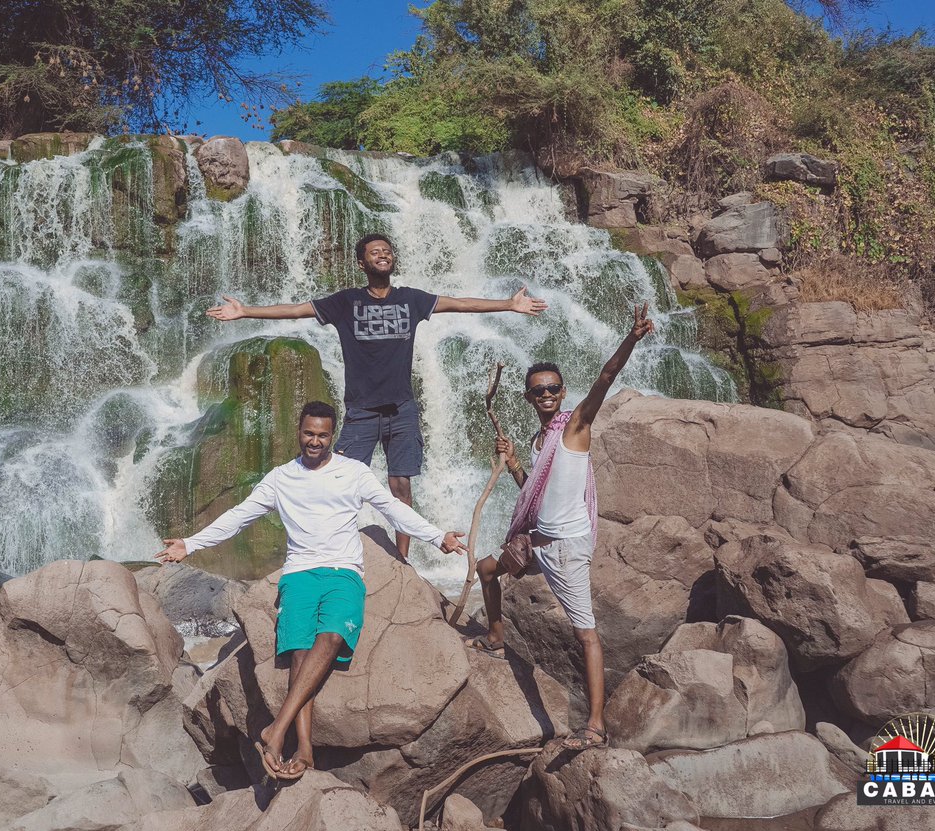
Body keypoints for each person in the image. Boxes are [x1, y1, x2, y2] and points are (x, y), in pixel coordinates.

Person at [155, 400, 466, 780]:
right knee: (299, 656)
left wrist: (437, 537)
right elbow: (239, 515)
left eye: (321, 435)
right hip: (298, 575)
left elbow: (392, 507)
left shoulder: (354, 472)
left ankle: (276, 729)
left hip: (342, 573)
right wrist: (191, 543)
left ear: (332, 436)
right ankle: (304, 750)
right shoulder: (281, 477)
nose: (314, 441)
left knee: (332, 637)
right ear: (298, 432)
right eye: (308, 433)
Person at [205, 232, 547, 559]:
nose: (383, 255)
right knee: (338, 481)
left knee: (401, 484)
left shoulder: (411, 299)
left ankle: (402, 561)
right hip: (361, 412)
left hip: (402, 408)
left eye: (387, 251)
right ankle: (331, 548)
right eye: (374, 252)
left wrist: (509, 304)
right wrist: (246, 311)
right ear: (361, 263)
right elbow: (296, 310)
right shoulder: (345, 302)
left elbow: (457, 304)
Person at [468, 303, 655, 751]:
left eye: (552, 387)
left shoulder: (574, 426)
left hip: (567, 548)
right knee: (487, 568)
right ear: (529, 397)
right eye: (538, 390)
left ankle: (595, 725)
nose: (547, 393)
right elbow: (534, 494)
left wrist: (630, 339)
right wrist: (514, 463)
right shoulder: (540, 441)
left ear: (562, 390)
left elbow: (605, 380)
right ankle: (496, 635)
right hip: (538, 543)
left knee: (584, 632)